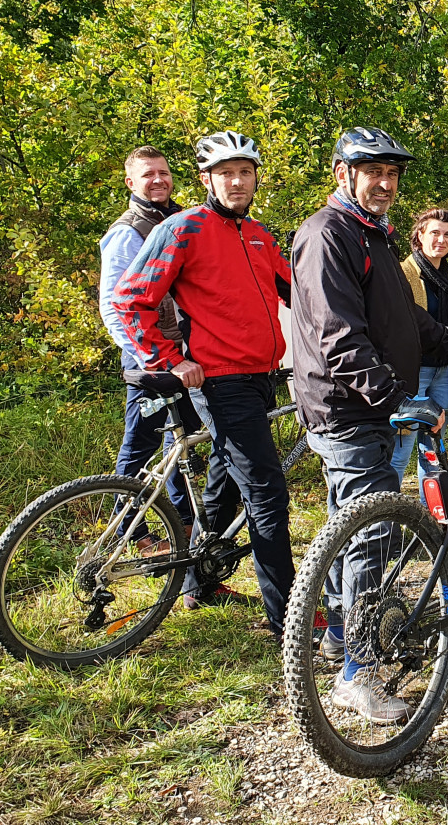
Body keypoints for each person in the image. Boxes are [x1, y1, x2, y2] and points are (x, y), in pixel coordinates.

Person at [291, 129, 448, 721]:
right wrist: (395, 396)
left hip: (362, 407)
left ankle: (339, 637)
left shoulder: (372, 235)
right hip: (349, 409)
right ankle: (358, 673)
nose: (385, 183)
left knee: (353, 527)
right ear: (342, 173)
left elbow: (400, 314)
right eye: (373, 172)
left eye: (392, 174)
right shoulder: (327, 235)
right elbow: (337, 334)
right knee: (372, 533)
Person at [112, 130, 295, 635]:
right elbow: (131, 300)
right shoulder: (183, 228)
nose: (237, 182)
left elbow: (297, 292)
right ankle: (290, 620)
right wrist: (168, 359)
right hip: (220, 380)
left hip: (261, 375)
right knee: (267, 494)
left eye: (245, 172)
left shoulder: (259, 234)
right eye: (226, 173)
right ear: (206, 179)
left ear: (256, 178)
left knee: (225, 484)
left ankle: (198, 584)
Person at [98, 145, 201, 533]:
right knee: (141, 444)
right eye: (148, 175)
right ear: (131, 182)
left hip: (185, 353)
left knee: (179, 444)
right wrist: (148, 358)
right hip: (150, 357)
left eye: (164, 172)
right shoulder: (127, 231)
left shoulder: (180, 220)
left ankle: (185, 529)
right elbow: (113, 306)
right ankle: (128, 532)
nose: (158, 180)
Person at [391, 207, 448, 480]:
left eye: (447, 235)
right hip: (414, 371)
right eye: (434, 233)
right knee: (401, 448)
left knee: (434, 447)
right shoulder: (404, 273)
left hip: (444, 370)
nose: (441, 240)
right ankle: (385, 517)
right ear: (419, 235)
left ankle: (431, 514)